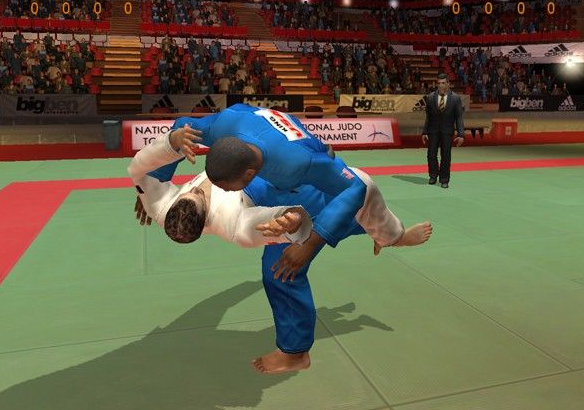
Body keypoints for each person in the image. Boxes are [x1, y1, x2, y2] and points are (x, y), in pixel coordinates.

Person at [129, 127, 432, 374]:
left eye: (189, 193)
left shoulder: (161, 205)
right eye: (198, 196)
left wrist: (151, 187)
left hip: (254, 170)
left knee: (334, 197)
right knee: (280, 270)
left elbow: (145, 168)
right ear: (205, 214)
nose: (196, 189)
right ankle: (296, 352)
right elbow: (283, 220)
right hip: (264, 198)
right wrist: (290, 221)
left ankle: (384, 232)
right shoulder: (234, 226)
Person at [164, 104, 411, 282]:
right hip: (262, 128)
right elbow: (179, 128)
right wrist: (159, 178)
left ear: (248, 175)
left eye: (227, 187)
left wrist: (310, 245)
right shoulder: (222, 126)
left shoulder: (300, 164)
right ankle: (379, 232)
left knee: (342, 197)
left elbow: (356, 188)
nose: (220, 191)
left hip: (306, 155)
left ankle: (387, 234)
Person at [421, 74, 465, 188]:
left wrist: (461, 134)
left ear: (448, 84)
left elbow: (459, 117)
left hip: (447, 131)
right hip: (433, 131)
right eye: (439, 83)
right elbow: (428, 117)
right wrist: (424, 132)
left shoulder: (455, 98)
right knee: (431, 154)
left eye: (443, 83)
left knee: (446, 156)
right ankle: (433, 175)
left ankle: (444, 179)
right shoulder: (430, 97)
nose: (440, 85)